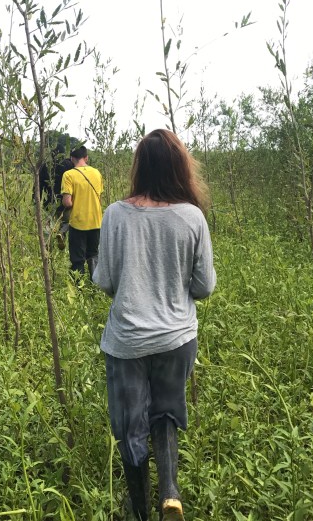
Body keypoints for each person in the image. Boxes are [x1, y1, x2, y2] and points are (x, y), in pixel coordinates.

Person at [92, 129, 216, 521]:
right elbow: (204, 287)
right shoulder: (192, 217)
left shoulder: (115, 214)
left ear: (140, 167)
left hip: (127, 341)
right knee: (166, 414)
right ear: (180, 167)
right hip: (177, 338)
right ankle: (170, 494)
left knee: (130, 427)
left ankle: (140, 511)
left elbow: (104, 280)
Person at [61, 145, 103, 277]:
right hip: (96, 221)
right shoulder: (97, 173)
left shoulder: (69, 175)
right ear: (86, 158)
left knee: (77, 258)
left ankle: (78, 285)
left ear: (72, 158)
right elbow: (99, 197)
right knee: (93, 254)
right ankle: (95, 282)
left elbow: (67, 202)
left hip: (78, 223)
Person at [38, 144, 74, 248]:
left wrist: (36, 200)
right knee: (66, 222)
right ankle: (61, 233)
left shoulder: (45, 166)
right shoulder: (68, 165)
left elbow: (39, 185)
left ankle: (47, 245)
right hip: (64, 200)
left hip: (49, 201)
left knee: (48, 224)